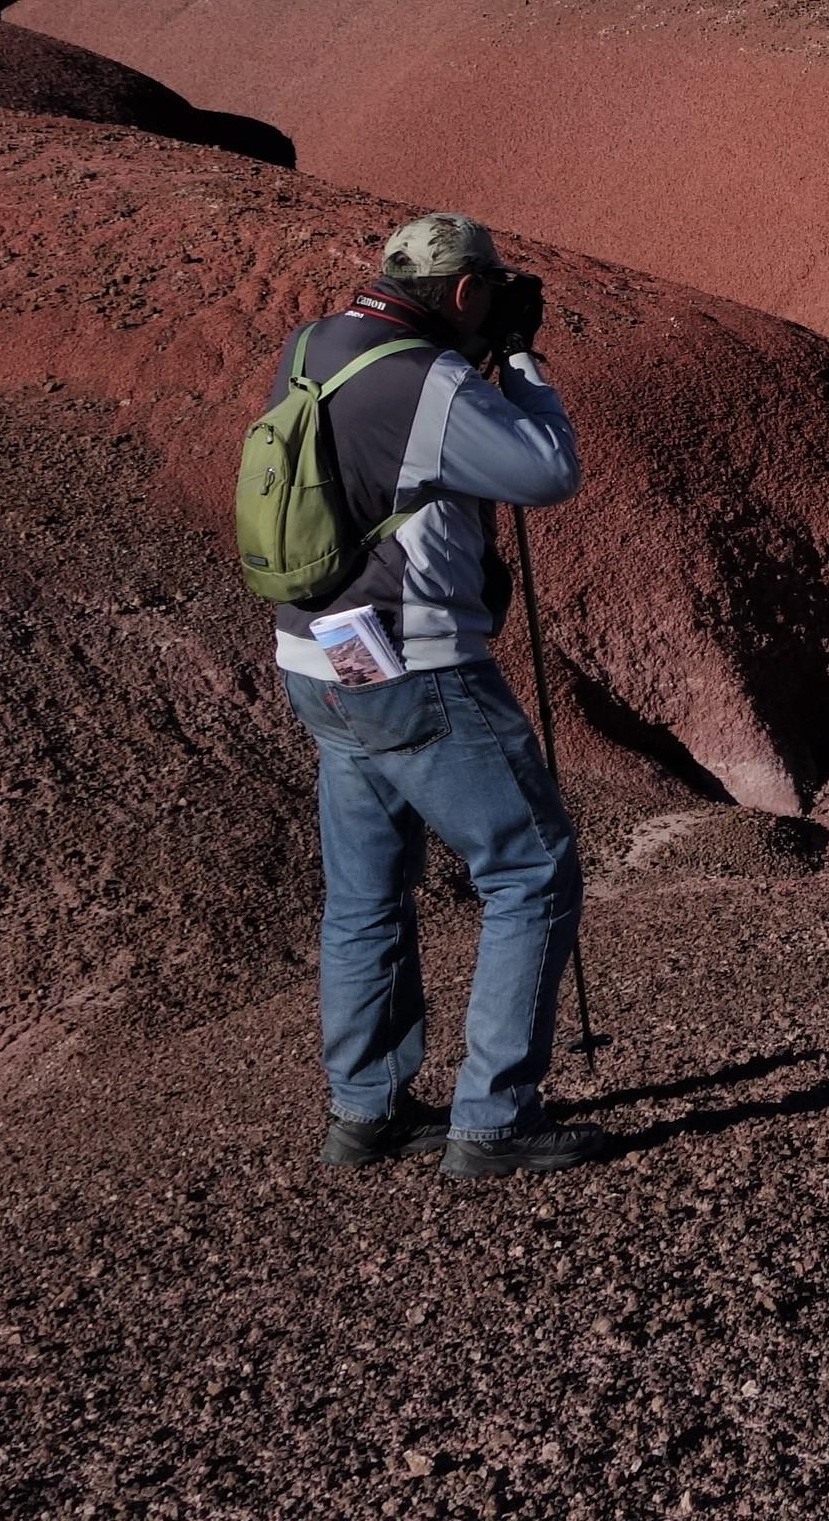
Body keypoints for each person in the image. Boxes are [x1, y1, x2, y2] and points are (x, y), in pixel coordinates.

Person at [268, 211, 608, 1179]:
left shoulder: (313, 348)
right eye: (488, 294)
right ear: (463, 295)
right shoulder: (428, 380)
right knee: (532, 864)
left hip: (319, 665)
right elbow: (549, 470)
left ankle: (365, 1110)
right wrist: (521, 358)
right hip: (413, 667)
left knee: (367, 892)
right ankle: (495, 1118)